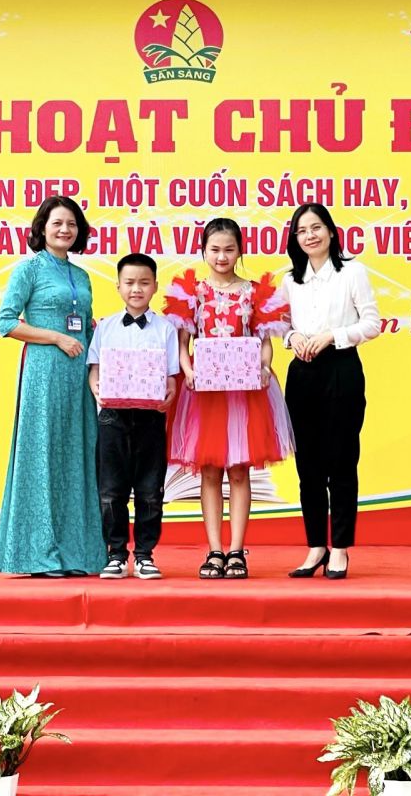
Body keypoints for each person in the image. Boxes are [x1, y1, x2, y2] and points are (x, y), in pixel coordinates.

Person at [163, 217, 293, 579]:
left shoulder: (256, 293)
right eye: (215, 249)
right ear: (203, 251)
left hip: (244, 395)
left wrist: (264, 368)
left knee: (238, 471)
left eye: (229, 249)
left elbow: (264, 343)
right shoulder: (192, 292)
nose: (222, 256)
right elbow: (182, 344)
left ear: (240, 251)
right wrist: (188, 372)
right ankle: (214, 550)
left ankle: (237, 550)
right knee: (208, 472)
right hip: (203, 395)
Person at [0, 196, 106, 578]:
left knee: (78, 456)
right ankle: (39, 554)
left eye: (71, 224)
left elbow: (87, 325)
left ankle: (78, 553)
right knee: (42, 455)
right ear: (42, 228)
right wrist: (56, 337)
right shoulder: (29, 269)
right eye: (57, 223)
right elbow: (7, 323)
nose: (64, 230)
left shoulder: (82, 276)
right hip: (44, 374)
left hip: (78, 378)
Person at [281, 202, 381, 580]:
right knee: (307, 467)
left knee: (341, 463)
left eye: (316, 227)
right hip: (302, 374)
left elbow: (372, 323)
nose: (310, 235)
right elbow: (282, 325)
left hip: (341, 369)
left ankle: (339, 548)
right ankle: (315, 547)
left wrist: (331, 336)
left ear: (331, 231)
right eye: (302, 230)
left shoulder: (352, 272)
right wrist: (293, 337)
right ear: (295, 238)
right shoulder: (290, 280)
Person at [87, 252, 182, 580]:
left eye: (144, 282)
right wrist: (96, 387)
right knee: (110, 490)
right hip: (112, 417)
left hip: (150, 418)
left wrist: (170, 393)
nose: (136, 289)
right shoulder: (105, 327)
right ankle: (115, 554)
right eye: (129, 282)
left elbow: (171, 375)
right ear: (118, 287)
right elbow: (95, 368)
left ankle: (144, 554)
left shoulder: (166, 329)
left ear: (155, 286)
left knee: (150, 490)